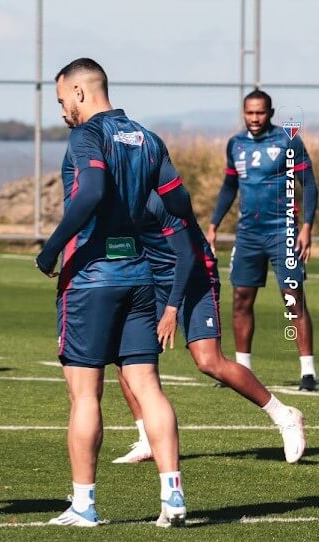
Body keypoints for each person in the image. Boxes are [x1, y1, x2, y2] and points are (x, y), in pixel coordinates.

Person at [35, 58, 193, 528]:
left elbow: (91, 192)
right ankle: (174, 496)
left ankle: (84, 505)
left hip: (91, 279)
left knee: (86, 396)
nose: (62, 110)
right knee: (148, 388)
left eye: (62, 100)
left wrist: (51, 249)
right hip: (140, 276)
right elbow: (178, 202)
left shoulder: (87, 136)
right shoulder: (148, 137)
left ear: (80, 92)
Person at [113, 192, 305, 465]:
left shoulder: (160, 198)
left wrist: (171, 308)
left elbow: (186, 255)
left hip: (194, 278)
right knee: (127, 357)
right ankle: (148, 439)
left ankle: (284, 415)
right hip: (151, 281)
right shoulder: (115, 193)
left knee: (209, 361)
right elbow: (125, 244)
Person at [206, 89, 317, 392]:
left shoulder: (287, 140)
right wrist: (214, 224)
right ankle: (242, 369)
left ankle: (308, 371)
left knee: (291, 294)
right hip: (248, 234)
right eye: (249, 113)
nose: (255, 118)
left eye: (260, 113)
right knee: (241, 298)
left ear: (270, 112)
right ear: (243, 113)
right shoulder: (236, 144)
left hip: (283, 231)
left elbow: (307, 184)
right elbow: (229, 186)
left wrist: (306, 226)